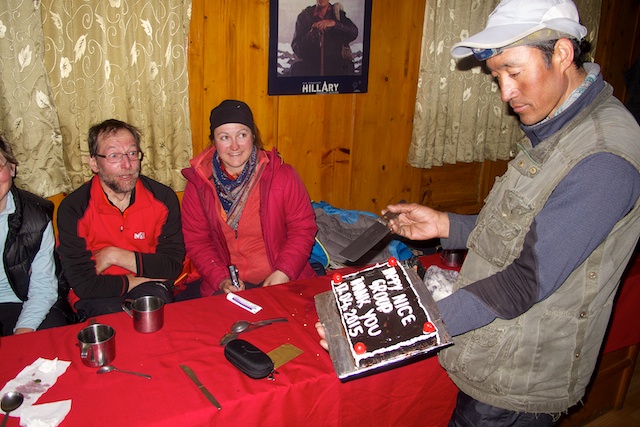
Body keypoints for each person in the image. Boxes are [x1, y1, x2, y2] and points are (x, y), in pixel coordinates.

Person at [317, 0, 640, 425]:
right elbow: (524, 230)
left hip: (520, 377)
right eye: (497, 77)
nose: (506, 94)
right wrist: (445, 225)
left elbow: (526, 280)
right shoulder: (560, 126)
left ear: (562, 53)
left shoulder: (602, 158)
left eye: (514, 71)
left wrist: (396, 326)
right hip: (497, 350)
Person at [179, 99, 317, 298]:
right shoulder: (198, 184)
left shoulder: (282, 175)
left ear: (253, 136)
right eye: (224, 137)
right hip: (228, 286)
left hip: (283, 278)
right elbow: (197, 241)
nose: (234, 146)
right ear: (214, 141)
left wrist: (284, 272)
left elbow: (303, 229)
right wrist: (221, 278)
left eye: (241, 135)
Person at [56, 119, 185, 318]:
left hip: (150, 291)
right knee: (111, 328)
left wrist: (113, 255)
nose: (127, 165)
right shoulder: (74, 208)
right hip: (98, 295)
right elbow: (84, 285)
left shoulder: (163, 199)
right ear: (94, 163)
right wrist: (139, 278)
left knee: (151, 320)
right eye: (114, 155)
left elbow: (171, 266)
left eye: (132, 154)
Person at [0, 134, 67, 336]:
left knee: (53, 331)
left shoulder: (35, 217)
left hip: (19, 302)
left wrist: (23, 331)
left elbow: (43, 287)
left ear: (12, 168)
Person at [290, 0, 358, 76]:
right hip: (311, 69)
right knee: (296, 68)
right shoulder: (304, 17)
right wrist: (310, 36)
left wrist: (334, 24)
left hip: (335, 69)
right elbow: (296, 48)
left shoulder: (338, 14)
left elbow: (353, 33)